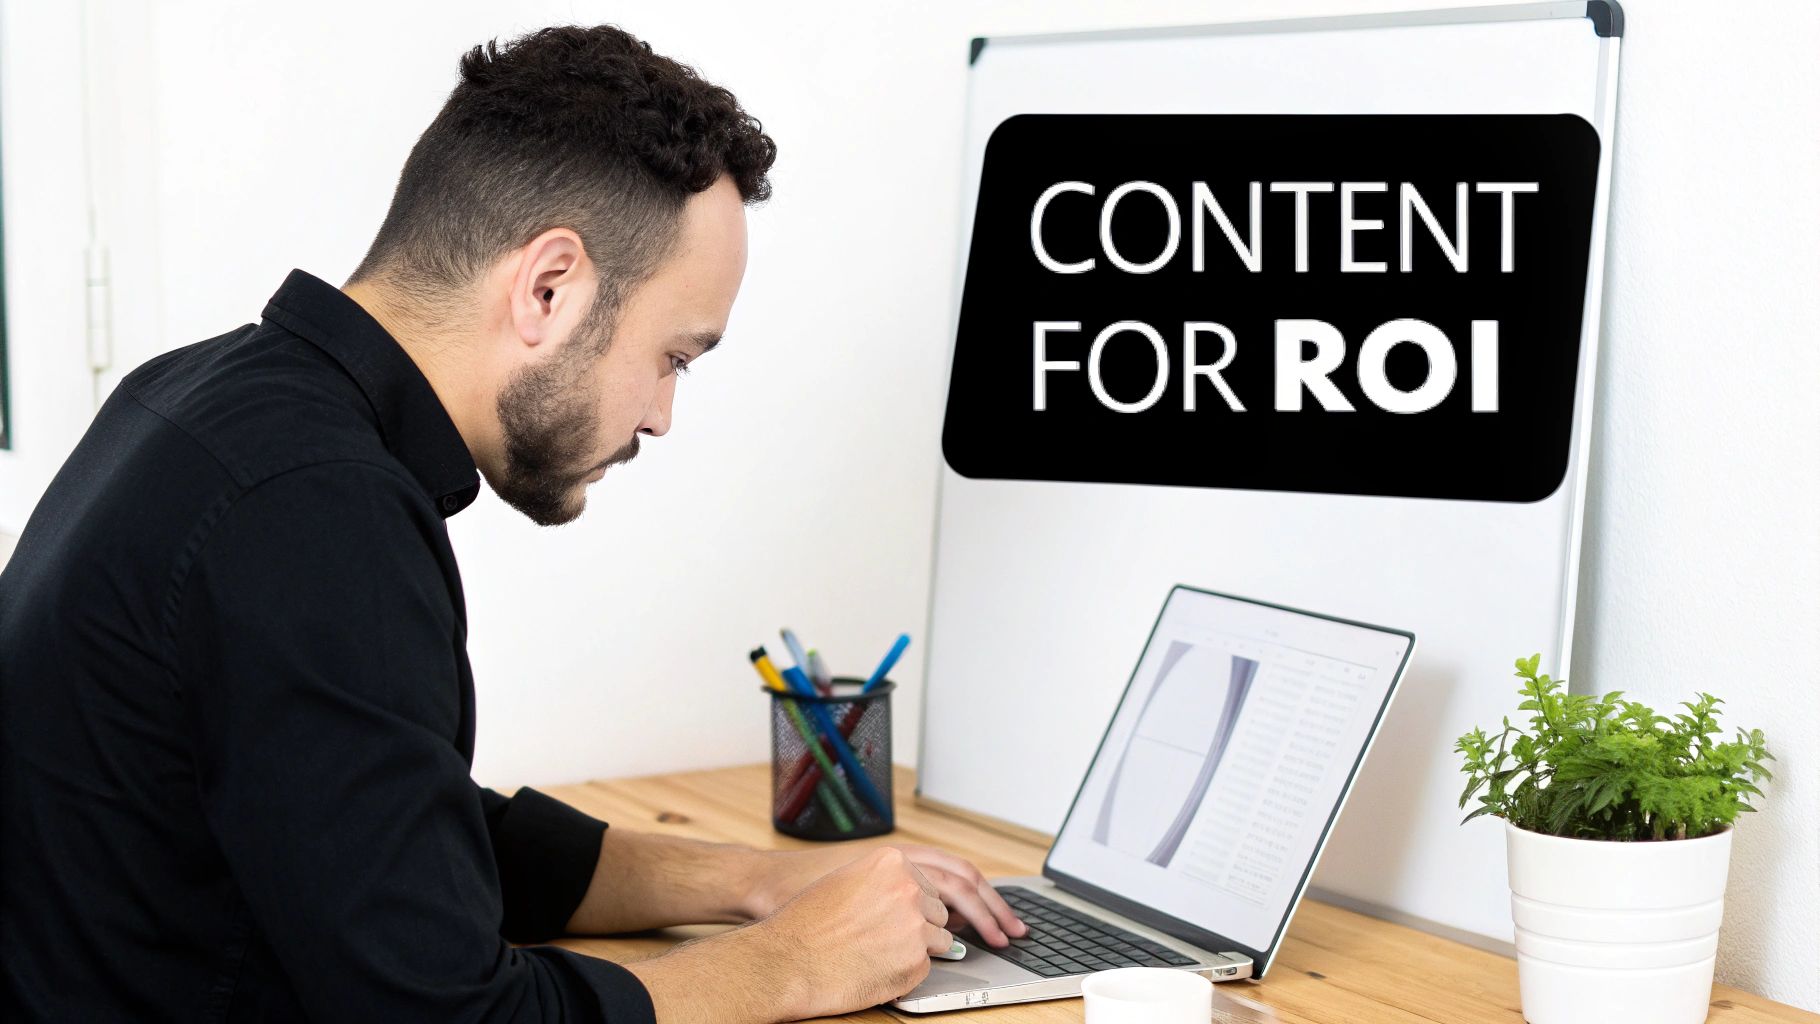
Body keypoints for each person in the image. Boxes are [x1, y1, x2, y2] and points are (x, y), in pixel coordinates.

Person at [0, 24, 1024, 1023]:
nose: (662, 415)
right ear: (548, 285)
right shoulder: (313, 508)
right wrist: (794, 965)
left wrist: (754, 882)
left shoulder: (201, 399)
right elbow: (441, 1008)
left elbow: (384, 836)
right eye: (674, 355)